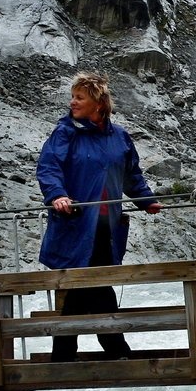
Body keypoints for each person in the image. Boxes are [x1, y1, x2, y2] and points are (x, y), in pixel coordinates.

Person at [37, 72, 162, 361]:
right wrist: (57, 195)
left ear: (98, 103)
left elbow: (131, 174)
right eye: (73, 96)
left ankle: (67, 356)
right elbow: (49, 166)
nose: (72, 102)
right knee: (91, 283)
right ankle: (115, 351)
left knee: (89, 285)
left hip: (107, 227)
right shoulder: (66, 132)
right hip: (77, 223)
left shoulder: (118, 137)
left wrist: (147, 201)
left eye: (79, 97)